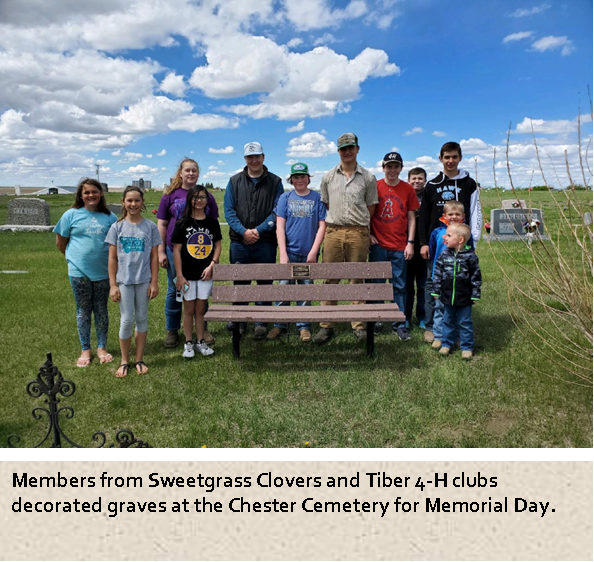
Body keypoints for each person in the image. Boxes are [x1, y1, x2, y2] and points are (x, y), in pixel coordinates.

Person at [314, 133, 378, 344]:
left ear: (357, 149)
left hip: (358, 232)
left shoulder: (368, 178)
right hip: (333, 231)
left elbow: (371, 207)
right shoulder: (328, 177)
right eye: (343, 148)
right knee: (330, 277)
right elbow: (327, 204)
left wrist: (357, 224)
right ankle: (326, 325)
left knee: (356, 277)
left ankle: (358, 324)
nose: (347, 151)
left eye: (351, 147)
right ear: (338, 151)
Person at [418, 141, 482, 344]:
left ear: (460, 158)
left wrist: (473, 240)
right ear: (440, 159)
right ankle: (431, 326)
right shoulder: (433, 185)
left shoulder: (469, 184)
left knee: (459, 282)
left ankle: (454, 327)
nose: (450, 161)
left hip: (462, 244)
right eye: (447, 157)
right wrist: (423, 243)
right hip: (437, 243)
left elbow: (475, 212)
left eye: (454, 157)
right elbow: (424, 217)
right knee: (433, 282)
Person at [53, 178, 117, 367]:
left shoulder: (110, 217)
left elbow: (115, 246)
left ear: (101, 193)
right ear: (81, 195)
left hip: (104, 272)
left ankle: (102, 347)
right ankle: (85, 349)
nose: (91, 195)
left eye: (94, 192)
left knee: (101, 309)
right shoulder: (70, 215)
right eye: (86, 192)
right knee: (83, 311)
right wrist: (75, 259)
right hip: (79, 272)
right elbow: (60, 242)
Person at [223, 141, 284, 340]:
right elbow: (229, 212)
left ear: (263, 157)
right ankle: (239, 320)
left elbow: (277, 212)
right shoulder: (234, 182)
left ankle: (261, 321)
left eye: (257, 156)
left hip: (265, 242)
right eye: (250, 157)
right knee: (240, 282)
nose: (254, 160)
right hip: (239, 242)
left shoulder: (275, 182)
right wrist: (243, 232)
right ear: (245, 159)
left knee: (264, 283)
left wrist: (257, 231)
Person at [157, 158, 218, 349]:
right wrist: (160, 251)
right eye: (187, 171)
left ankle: (202, 329)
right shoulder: (170, 195)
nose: (191, 174)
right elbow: (162, 223)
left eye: (194, 171)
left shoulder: (206, 195)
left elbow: (213, 224)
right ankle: (173, 330)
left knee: (201, 291)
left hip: (200, 252)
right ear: (180, 173)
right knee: (176, 289)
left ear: (198, 174)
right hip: (175, 249)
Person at [267, 162, 327, 343]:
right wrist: (283, 253)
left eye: (302, 176)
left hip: (307, 253)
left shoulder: (317, 198)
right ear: (291, 179)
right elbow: (280, 226)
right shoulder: (285, 198)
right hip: (290, 252)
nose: (299, 180)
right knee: (284, 288)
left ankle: (304, 326)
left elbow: (322, 225)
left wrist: (314, 251)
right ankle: (280, 324)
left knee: (305, 289)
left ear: (308, 178)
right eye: (296, 177)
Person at [106, 186, 161, 378]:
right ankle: (124, 360)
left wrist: (155, 282)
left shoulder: (150, 227)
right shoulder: (117, 227)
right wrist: (113, 285)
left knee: (142, 318)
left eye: (137, 200)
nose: (133, 204)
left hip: (144, 280)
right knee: (126, 319)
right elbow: (112, 258)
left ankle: (139, 359)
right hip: (124, 281)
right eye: (129, 200)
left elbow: (154, 257)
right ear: (123, 202)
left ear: (142, 202)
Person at [368, 152, 419, 341]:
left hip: (399, 245)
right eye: (389, 166)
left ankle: (399, 323)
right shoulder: (376, 187)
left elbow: (412, 217)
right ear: (383, 168)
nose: (392, 170)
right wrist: (369, 234)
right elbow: (368, 213)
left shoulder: (407, 189)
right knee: (377, 284)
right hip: (379, 244)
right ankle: (378, 319)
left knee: (399, 285)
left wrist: (410, 243)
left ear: (401, 169)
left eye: (396, 166)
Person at [172, 185, 222, 358]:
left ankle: (200, 341)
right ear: (189, 200)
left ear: (207, 200)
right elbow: (176, 251)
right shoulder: (182, 223)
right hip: (187, 275)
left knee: (201, 309)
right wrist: (179, 275)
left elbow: (218, 245)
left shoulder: (212, 222)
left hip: (205, 274)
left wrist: (212, 264)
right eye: (195, 197)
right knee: (188, 310)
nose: (199, 200)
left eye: (202, 197)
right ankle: (188, 342)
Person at [431, 223, 482, 360]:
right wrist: (436, 291)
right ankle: (447, 343)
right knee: (447, 320)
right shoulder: (444, 255)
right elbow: (437, 274)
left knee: (465, 322)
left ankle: (466, 346)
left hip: (464, 296)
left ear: (460, 240)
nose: (444, 237)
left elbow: (476, 277)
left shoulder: (470, 256)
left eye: (449, 235)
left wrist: (475, 294)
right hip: (447, 296)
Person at [427, 201, 471, 350]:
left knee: (457, 310)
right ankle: (438, 335)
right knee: (440, 308)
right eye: (450, 214)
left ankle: (457, 337)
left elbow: (469, 252)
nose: (454, 217)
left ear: (463, 216)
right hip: (440, 276)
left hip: (459, 278)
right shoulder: (437, 232)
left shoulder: (465, 233)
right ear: (444, 216)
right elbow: (433, 252)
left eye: (457, 214)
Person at [404, 167, 428, 331]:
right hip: (406, 244)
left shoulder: (428, 195)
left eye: (420, 178)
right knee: (406, 285)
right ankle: (404, 316)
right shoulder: (405, 193)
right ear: (409, 180)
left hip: (424, 245)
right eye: (414, 178)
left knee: (423, 284)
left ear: (425, 180)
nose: (417, 181)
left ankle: (423, 316)